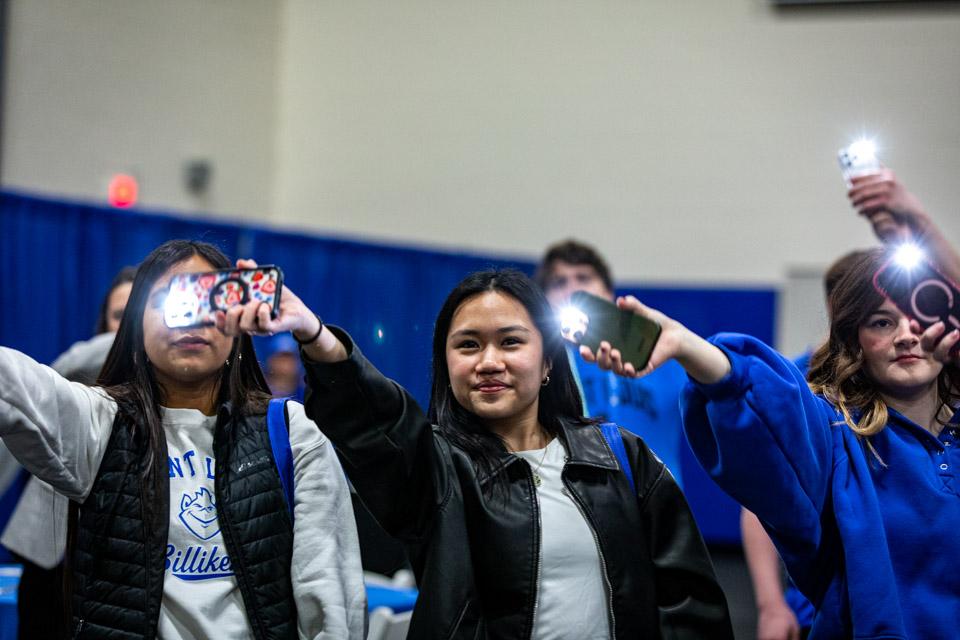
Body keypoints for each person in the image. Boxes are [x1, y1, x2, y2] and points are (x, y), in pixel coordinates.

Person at [226, 267, 733, 638]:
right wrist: (316, 337)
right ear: (446, 363)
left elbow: (691, 606)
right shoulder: (435, 468)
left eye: (511, 342)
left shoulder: (621, 458)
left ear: (549, 362)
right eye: (468, 345)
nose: (489, 361)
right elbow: (376, 421)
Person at [583, 247, 960, 638]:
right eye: (882, 323)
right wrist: (685, 344)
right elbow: (767, 403)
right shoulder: (835, 437)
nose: (905, 335)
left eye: (920, 318)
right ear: (856, 340)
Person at [0, 240, 365, 639]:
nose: (192, 319)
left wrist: (312, 332)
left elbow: (329, 596)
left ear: (238, 322)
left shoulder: (292, 433)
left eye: (211, 300)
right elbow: (12, 384)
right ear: (137, 325)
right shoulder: (99, 420)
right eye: (171, 301)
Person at [0, 266, 135, 640]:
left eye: (137, 315)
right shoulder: (81, 369)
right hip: (47, 549)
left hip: (118, 560)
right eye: (120, 315)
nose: (127, 326)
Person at [535, 239, 689, 486]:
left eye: (583, 278)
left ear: (608, 293)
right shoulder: (538, 365)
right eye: (559, 282)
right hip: (580, 503)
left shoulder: (662, 357)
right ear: (544, 300)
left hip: (661, 506)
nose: (573, 289)